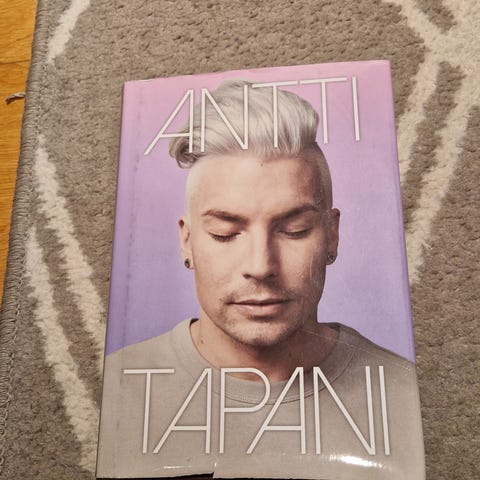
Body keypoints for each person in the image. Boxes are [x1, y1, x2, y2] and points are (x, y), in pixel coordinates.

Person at [96, 81, 424, 479]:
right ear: (187, 241)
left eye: (295, 230)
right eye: (225, 233)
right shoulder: (105, 395)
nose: (261, 265)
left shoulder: (409, 398)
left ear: (332, 235)